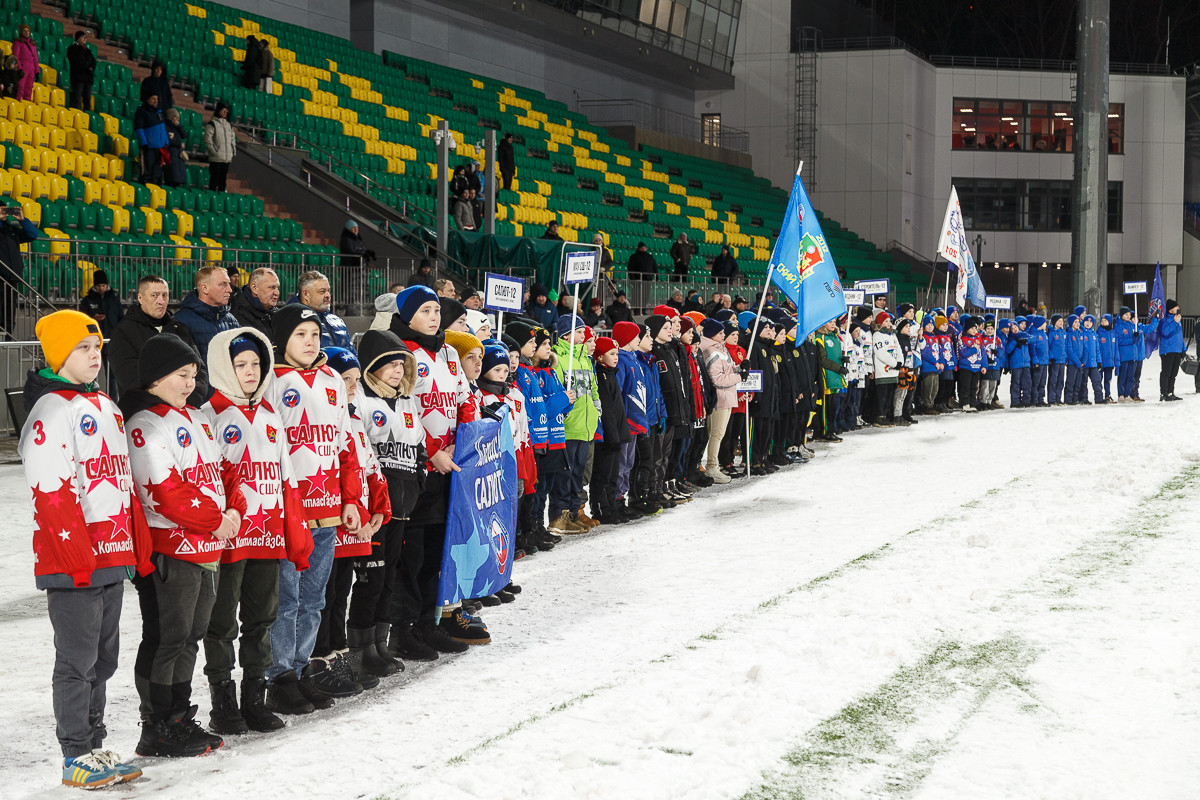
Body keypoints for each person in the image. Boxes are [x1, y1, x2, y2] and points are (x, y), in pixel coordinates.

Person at [21, 311, 152, 787]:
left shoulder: (107, 406)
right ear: (59, 353)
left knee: (103, 659)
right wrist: (74, 555)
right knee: (76, 661)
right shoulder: (51, 409)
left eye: (97, 348)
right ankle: (75, 753)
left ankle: (94, 746)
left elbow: (124, 483)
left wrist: (135, 546)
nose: (94, 356)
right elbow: (50, 490)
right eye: (82, 348)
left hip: (112, 554)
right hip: (75, 560)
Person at [121, 333, 246, 757]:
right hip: (170, 549)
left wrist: (234, 510)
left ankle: (177, 716)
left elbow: (220, 473)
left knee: (190, 635)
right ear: (155, 378)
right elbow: (165, 488)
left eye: (194, 375)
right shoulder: (143, 422)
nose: (190, 383)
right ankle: (155, 725)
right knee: (167, 637)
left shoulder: (194, 417)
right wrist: (217, 519)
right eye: (181, 375)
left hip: (206, 547)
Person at [201, 328, 312, 736]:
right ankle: (222, 701)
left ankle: (254, 697)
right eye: (240, 365)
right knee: (221, 623)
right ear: (223, 368)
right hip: (229, 538)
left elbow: (284, 476)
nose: (250, 371)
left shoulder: (270, 415)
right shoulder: (208, 415)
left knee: (261, 619)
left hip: (266, 534)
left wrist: (290, 526)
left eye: (255, 363)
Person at [261, 305, 364, 714]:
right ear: (283, 339)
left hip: (328, 509)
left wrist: (352, 499)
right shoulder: (272, 380)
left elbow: (344, 446)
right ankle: (279, 676)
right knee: (285, 599)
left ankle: (302, 670)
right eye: (301, 334)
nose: (309, 342)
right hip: (289, 509)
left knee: (314, 598)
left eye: (315, 335)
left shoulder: (333, 381)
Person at [386, 286, 477, 654]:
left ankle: (429, 621)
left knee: (439, 551)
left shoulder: (450, 352)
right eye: (425, 310)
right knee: (413, 554)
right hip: (416, 468)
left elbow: (464, 398)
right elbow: (402, 408)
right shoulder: (400, 352)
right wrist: (432, 452)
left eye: (437, 310)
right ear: (408, 315)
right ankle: (403, 629)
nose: (434, 317)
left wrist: (463, 440)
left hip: (451, 465)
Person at [313, 347, 390, 694]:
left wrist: (378, 508)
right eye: (346, 380)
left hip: (355, 520)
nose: (352, 387)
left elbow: (370, 466)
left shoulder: (354, 418)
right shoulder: (329, 418)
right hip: (332, 518)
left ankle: (341, 658)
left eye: (356, 381)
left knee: (341, 591)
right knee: (324, 594)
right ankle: (321, 661)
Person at [354, 330, 426, 666]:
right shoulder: (362, 403)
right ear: (372, 367)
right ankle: (360, 648)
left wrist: (418, 485)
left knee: (389, 577)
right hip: (373, 510)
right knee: (370, 578)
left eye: (401, 364)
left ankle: (379, 644)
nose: (397, 371)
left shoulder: (409, 402)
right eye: (389, 364)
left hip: (403, 507)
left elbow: (418, 450)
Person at [552, 315, 600, 532]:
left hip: (585, 426)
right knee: (565, 475)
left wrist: (596, 413)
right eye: (579, 332)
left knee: (578, 475)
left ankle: (573, 513)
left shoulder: (585, 359)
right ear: (566, 335)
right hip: (569, 427)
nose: (584, 336)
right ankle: (559, 515)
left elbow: (593, 390)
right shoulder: (558, 358)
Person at [174, 265, 239, 363]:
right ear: (205, 288)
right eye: (223, 284)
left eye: (229, 284)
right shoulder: (181, 321)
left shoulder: (231, 320)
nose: (230, 290)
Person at [292, 270, 352, 350]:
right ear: (306, 294)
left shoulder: (338, 321)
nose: (328, 295)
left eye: (328, 291)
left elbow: (352, 354)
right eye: (322, 291)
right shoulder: (293, 322)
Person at [229, 267, 278, 339]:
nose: (277, 293)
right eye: (271, 287)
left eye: (277, 287)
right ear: (254, 288)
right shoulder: (237, 314)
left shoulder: (275, 313)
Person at [1152, 299, 1185, 401]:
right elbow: (1165, 333)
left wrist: (1183, 349)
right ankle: (1164, 393)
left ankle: (1171, 392)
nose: (1178, 308)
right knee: (1166, 372)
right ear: (1171, 310)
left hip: (1177, 350)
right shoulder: (1164, 320)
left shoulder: (1178, 320)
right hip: (1168, 350)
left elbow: (1180, 336)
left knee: (1174, 373)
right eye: (1176, 307)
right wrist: (1175, 322)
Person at [77, 269, 122, 339]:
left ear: (107, 285)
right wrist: (93, 317)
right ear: (94, 286)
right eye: (98, 286)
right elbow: (82, 319)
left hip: (112, 337)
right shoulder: (87, 300)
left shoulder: (115, 300)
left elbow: (121, 319)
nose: (101, 288)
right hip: (94, 337)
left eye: (103, 285)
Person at [134, 94, 168, 185]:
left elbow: (163, 129)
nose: (155, 101)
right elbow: (139, 129)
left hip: (159, 148)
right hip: (148, 148)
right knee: (146, 172)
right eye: (153, 98)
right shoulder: (142, 111)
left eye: (157, 98)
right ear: (147, 99)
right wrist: (144, 143)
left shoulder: (159, 112)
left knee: (156, 174)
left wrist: (166, 142)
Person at [204, 103, 236, 192]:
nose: (225, 112)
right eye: (223, 110)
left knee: (223, 181)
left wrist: (232, 151)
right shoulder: (212, 123)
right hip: (216, 158)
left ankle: (221, 200)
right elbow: (208, 139)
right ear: (218, 111)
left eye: (226, 111)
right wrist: (214, 152)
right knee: (214, 179)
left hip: (226, 158)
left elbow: (232, 139)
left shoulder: (229, 125)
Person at [1115, 306, 1144, 402]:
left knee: (1130, 376)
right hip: (1124, 355)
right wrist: (1132, 339)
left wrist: (1137, 336)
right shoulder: (1118, 326)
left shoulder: (1132, 325)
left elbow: (1137, 337)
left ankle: (1127, 394)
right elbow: (1119, 340)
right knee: (1122, 376)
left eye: (1129, 315)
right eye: (1126, 314)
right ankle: (1121, 394)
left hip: (1132, 355)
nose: (1128, 316)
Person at [67, 30, 95, 111]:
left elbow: (93, 62)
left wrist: (91, 68)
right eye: (83, 37)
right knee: (77, 99)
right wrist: (87, 67)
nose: (85, 39)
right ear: (78, 38)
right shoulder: (72, 49)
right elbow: (77, 62)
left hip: (88, 79)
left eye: (86, 37)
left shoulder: (88, 51)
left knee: (87, 101)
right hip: (77, 78)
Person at [162, 108, 188, 188]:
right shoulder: (165, 127)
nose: (177, 120)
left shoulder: (176, 127)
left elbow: (184, 135)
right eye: (176, 118)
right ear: (171, 117)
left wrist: (178, 126)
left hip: (178, 157)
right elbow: (167, 140)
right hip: (170, 156)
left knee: (178, 180)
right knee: (172, 178)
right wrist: (179, 144)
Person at [12, 24, 37, 101]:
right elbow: (16, 57)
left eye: (28, 31)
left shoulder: (32, 44)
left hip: (31, 70)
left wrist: (37, 71)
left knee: (29, 88)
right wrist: (19, 68)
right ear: (21, 32)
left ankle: (26, 104)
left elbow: (35, 59)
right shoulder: (18, 42)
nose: (26, 32)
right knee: (20, 87)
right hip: (23, 68)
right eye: (24, 31)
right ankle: (18, 103)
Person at [1097, 314, 1118, 403]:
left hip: (1110, 362)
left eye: (1105, 321)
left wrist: (1116, 361)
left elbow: (1115, 348)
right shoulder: (1098, 333)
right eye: (1102, 321)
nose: (1103, 322)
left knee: (1108, 380)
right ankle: (1099, 395)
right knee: (1099, 380)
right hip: (1101, 362)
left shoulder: (1113, 333)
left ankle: (1107, 395)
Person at [1047, 314, 1067, 404]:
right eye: (1059, 321)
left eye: (1062, 321)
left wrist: (1066, 357)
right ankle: (1051, 399)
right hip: (1055, 361)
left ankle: (1058, 398)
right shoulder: (1051, 333)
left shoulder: (1063, 333)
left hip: (1062, 360)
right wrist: (1051, 357)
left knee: (1060, 380)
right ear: (1054, 322)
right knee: (1053, 380)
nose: (1061, 323)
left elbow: (1065, 347)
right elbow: (1048, 346)